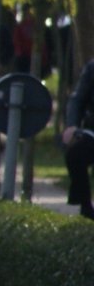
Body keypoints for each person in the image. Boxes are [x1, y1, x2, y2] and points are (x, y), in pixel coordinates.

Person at [60, 56, 94, 219]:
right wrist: (72, 125)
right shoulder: (92, 68)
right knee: (75, 154)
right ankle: (85, 206)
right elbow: (77, 99)